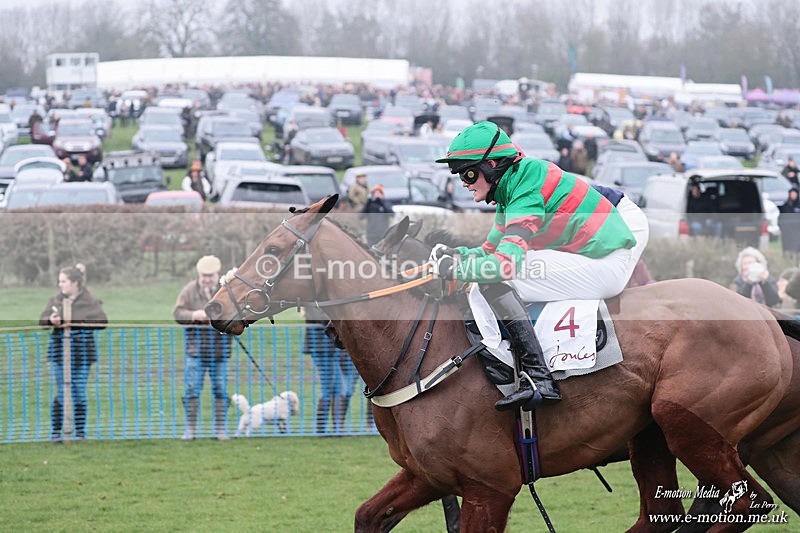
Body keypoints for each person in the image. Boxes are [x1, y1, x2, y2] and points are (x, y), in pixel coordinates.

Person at [432, 121, 648, 411]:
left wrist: (455, 269)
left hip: (615, 250)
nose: (464, 182)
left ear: (493, 165)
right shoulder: (513, 188)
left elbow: (504, 266)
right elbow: (489, 250)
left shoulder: (525, 190)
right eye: (459, 174)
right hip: (608, 234)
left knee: (507, 277)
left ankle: (538, 377)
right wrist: (457, 254)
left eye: (469, 173)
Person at [39, 264, 107, 443]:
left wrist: (75, 322)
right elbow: (42, 320)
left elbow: (102, 321)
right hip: (59, 353)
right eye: (60, 281)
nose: (59, 284)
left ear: (75, 283)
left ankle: (79, 433)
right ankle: (56, 433)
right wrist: (51, 320)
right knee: (62, 392)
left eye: (63, 281)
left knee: (78, 391)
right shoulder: (55, 300)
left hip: (83, 353)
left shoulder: (90, 300)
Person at [173, 255, 232, 440]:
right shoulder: (189, 290)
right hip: (195, 351)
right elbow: (177, 313)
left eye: (210, 276)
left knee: (220, 389)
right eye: (204, 276)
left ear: (217, 274)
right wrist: (194, 315)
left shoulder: (228, 290)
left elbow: (238, 313)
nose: (207, 279)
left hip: (220, 350)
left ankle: (220, 430)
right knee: (191, 389)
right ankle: (190, 430)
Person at [302, 307, 360, 435]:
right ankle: (322, 430)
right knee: (328, 390)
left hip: (332, 349)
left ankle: (338, 429)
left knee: (340, 389)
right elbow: (324, 320)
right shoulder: (314, 305)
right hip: (321, 349)